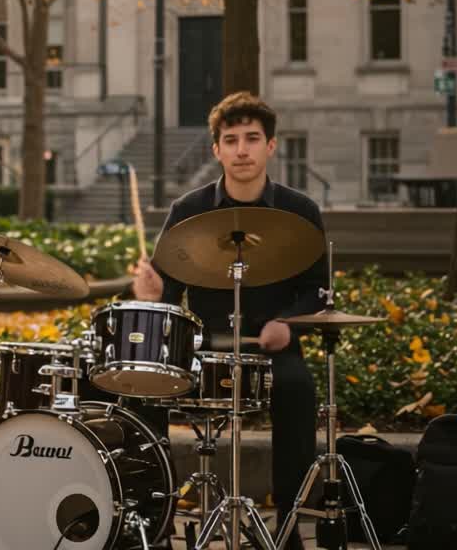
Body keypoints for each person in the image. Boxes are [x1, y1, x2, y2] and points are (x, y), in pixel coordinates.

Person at [133, 91, 325, 550]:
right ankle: (153, 523)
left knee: (298, 390)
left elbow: (317, 291)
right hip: (204, 350)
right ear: (216, 149)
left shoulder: (300, 211)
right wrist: (153, 293)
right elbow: (167, 293)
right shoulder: (188, 211)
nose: (242, 149)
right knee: (144, 395)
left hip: (273, 346)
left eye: (252, 139)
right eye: (231, 139)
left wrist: (288, 324)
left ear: (271, 146)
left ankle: (289, 527)